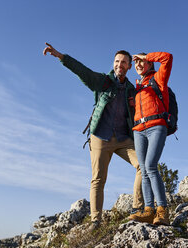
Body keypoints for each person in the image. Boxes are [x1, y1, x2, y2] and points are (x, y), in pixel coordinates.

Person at [43, 43, 144, 230]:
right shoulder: (103, 81)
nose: (119, 65)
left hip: (123, 138)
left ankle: (138, 209)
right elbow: (83, 71)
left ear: (129, 66)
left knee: (143, 166)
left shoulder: (132, 89)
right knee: (98, 178)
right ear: (113, 63)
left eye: (123, 62)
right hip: (101, 136)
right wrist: (60, 56)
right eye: (116, 61)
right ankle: (96, 221)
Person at [128, 52, 173, 225]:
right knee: (144, 170)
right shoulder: (137, 87)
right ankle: (148, 210)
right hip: (139, 130)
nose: (138, 64)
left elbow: (167, 57)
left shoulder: (158, 78)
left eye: (142, 61)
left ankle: (162, 211)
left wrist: (147, 56)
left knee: (151, 166)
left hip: (156, 127)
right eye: (136, 63)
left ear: (149, 63)